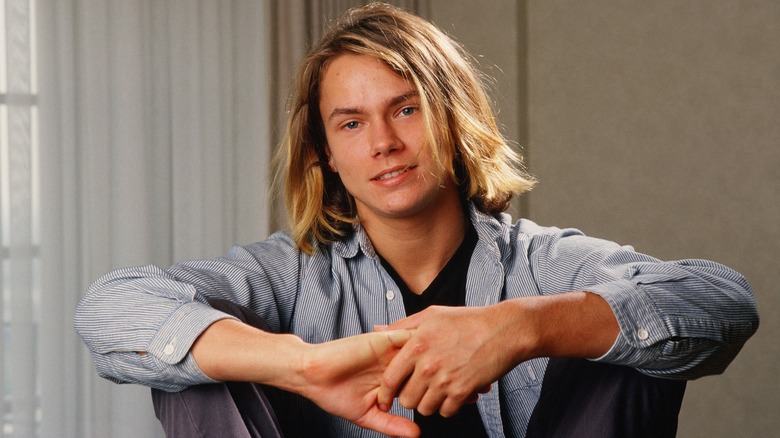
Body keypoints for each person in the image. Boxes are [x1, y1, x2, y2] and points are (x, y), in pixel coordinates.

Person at [74, 3, 759, 437]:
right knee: (195, 370)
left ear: (452, 121)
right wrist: (305, 366)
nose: (383, 142)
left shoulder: (538, 263)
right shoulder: (291, 275)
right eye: (351, 122)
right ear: (326, 156)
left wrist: (521, 328)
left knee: (620, 336)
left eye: (406, 109)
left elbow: (723, 302)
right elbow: (110, 309)